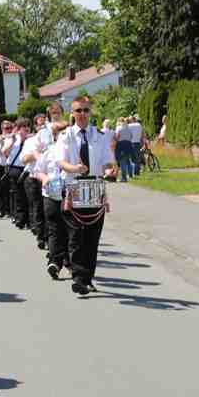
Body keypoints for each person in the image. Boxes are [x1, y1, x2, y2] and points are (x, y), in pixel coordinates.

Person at [58, 96, 115, 295]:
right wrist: (75, 168)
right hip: (74, 187)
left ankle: (88, 278)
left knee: (92, 237)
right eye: (78, 111)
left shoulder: (99, 135)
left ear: (90, 113)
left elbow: (108, 161)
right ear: (72, 114)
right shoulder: (66, 136)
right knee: (76, 236)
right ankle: (79, 278)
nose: (82, 114)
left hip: (95, 188)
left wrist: (109, 171)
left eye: (85, 110)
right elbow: (61, 162)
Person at [34, 121, 70, 279]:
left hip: (71, 196)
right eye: (61, 135)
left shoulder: (74, 151)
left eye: (66, 135)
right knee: (55, 229)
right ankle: (54, 263)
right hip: (51, 195)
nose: (64, 138)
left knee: (70, 231)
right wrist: (44, 178)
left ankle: (70, 263)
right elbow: (37, 171)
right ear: (55, 137)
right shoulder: (49, 152)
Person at [20, 114, 50, 249]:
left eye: (45, 124)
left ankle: (50, 236)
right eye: (40, 125)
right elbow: (24, 159)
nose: (42, 127)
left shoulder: (54, 139)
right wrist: (34, 154)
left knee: (49, 209)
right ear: (35, 127)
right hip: (34, 178)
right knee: (37, 207)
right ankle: (41, 236)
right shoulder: (30, 141)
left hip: (50, 179)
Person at [2, 118, 31, 229]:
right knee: (18, 194)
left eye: (28, 126)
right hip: (15, 169)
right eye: (24, 127)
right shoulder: (13, 139)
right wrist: (13, 142)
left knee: (28, 195)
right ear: (18, 129)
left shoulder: (31, 139)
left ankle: (28, 220)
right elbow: (4, 152)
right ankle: (20, 218)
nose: (27, 129)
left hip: (27, 169)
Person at [114, 118, 133, 182]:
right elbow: (131, 136)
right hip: (128, 144)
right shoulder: (129, 128)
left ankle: (124, 178)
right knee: (128, 160)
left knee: (122, 162)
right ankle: (130, 175)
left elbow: (117, 137)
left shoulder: (119, 128)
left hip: (121, 145)